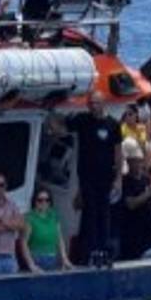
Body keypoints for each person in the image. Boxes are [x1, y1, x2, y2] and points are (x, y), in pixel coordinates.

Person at [60, 96, 123, 265]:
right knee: (90, 213)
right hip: (87, 176)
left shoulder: (113, 124)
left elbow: (118, 153)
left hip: (106, 177)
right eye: (91, 104)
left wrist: (118, 179)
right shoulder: (83, 120)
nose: (94, 106)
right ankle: (90, 251)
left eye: (97, 103)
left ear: (104, 104)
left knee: (104, 213)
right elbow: (62, 129)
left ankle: (103, 250)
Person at [118, 146, 151, 260]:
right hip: (132, 233)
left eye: (139, 161)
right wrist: (150, 192)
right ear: (128, 162)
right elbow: (130, 204)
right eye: (134, 161)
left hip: (148, 230)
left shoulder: (146, 180)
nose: (137, 164)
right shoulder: (124, 181)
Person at [21, 189, 71, 272]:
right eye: (40, 200)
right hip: (36, 258)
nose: (44, 203)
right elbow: (24, 243)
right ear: (35, 201)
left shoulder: (54, 215)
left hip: (52, 258)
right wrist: (31, 264)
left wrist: (64, 258)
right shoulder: (30, 218)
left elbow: (59, 238)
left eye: (47, 200)